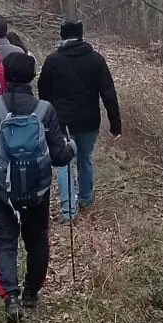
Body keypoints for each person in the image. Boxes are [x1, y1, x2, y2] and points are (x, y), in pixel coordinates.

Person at [0, 53, 74, 323]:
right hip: (38, 190)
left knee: (5, 239)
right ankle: (31, 291)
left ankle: (11, 298)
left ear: (5, 75)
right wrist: (71, 147)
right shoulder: (45, 111)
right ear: (32, 77)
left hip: (1, 189)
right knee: (37, 238)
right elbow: (60, 156)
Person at [38, 18, 122, 222]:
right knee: (86, 159)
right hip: (89, 121)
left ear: (62, 35)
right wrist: (115, 124)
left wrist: (47, 118)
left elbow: (43, 91)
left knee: (65, 163)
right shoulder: (96, 59)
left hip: (62, 122)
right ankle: (86, 200)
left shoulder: (53, 60)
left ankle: (68, 211)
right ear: (81, 34)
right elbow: (108, 93)